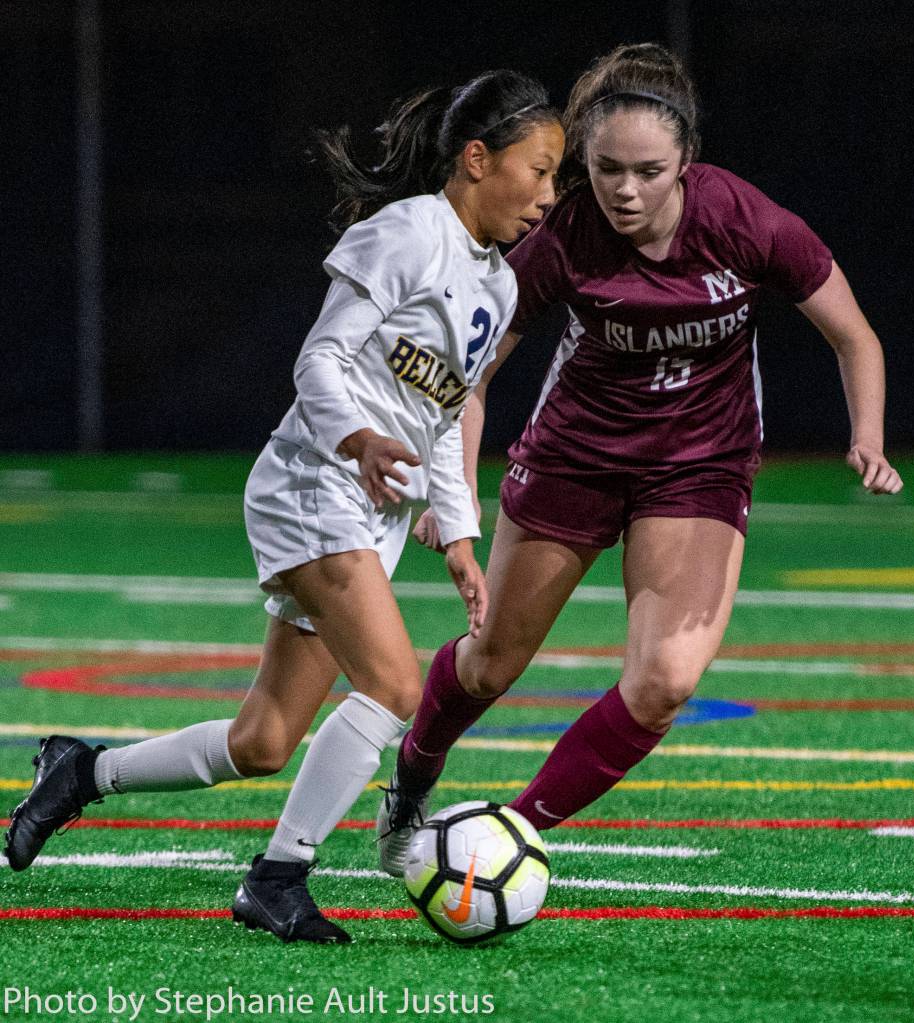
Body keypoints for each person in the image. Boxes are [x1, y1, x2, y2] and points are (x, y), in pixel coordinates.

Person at [4, 70, 565, 943]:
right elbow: (318, 360)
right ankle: (277, 877)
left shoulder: (497, 286)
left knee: (262, 740)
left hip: (370, 511)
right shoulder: (406, 234)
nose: (549, 196)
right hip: (313, 484)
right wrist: (360, 440)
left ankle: (82, 771)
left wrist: (458, 533)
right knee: (393, 683)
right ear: (476, 158)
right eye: (540, 170)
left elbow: (444, 413)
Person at [376, 42, 903, 875]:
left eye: (649, 171)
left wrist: (866, 434)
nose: (626, 190)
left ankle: (508, 835)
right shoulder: (563, 236)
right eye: (606, 169)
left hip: (700, 462)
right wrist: (455, 494)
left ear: (687, 161)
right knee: (490, 664)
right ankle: (412, 774)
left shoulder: (746, 222)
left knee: (664, 682)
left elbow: (855, 336)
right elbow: (467, 379)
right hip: (574, 456)